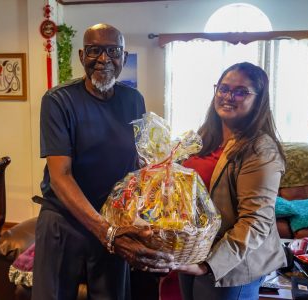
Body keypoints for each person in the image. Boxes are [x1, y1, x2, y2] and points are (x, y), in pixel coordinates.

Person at [32, 23, 173, 300]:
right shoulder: (59, 101)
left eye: (113, 51)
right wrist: (105, 231)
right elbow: (60, 176)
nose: (104, 59)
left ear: (123, 56)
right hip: (64, 219)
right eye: (95, 51)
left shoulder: (133, 100)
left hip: (114, 217)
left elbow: (140, 162)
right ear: (83, 56)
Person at [174, 62, 287, 300]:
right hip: (192, 253)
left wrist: (208, 265)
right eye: (223, 89)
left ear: (258, 100)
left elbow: (255, 222)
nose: (228, 97)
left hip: (229, 265)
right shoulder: (204, 138)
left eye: (240, 92)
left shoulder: (260, 150)